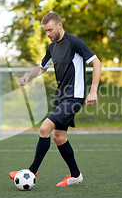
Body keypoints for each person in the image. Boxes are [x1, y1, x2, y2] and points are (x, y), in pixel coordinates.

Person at [9, 11, 102, 186]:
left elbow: (97, 63)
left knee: (44, 128)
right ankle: (75, 175)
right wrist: (27, 77)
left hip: (74, 97)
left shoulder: (75, 43)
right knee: (59, 137)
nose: (49, 34)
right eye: (46, 31)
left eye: (50, 29)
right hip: (61, 97)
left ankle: (31, 171)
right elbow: (42, 67)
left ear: (59, 25)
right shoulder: (52, 47)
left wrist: (93, 90)